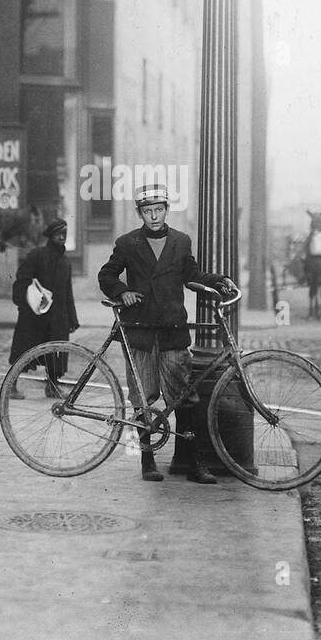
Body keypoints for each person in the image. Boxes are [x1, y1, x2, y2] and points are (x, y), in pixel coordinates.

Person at [98, 184, 236, 484]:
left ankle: (195, 463)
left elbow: (192, 276)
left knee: (184, 397)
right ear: (140, 214)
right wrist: (122, 293)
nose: (154, 216)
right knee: (143, 399)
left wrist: (219, 280)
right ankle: (147, 460)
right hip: (140, 332)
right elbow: (106, 275)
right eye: (147, 212)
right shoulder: (127, 243)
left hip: (173, 332)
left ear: (166, 210)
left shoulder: (181, 242)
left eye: (158, 210)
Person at [7, 218, 79, 399]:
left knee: (56, 351)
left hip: (57, 317)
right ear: (50, 236)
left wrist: (72, 318)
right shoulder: (37, 255)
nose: (62, 237)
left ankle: (52, 386)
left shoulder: (65, 262)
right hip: (34, 315)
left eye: (64, 233)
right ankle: (11, 387)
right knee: (24, 350)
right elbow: (22, 280)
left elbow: (67, 292)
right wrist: (24, 304)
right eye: (58, 234)